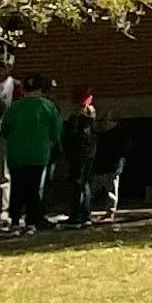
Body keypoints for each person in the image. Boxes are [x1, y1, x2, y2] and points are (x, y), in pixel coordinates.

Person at [1, 69, 62, 231]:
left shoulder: (15, 107)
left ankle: (14, 221)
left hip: (16, 154)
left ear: (23, 89)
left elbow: (5, 128)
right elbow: (56, 131)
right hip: (39, 154)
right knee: (34, 189)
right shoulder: (48, 106)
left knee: (17, 187)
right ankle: (32, 221)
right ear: (41, 89)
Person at [58, 90, 104, 230]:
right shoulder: (91, 117)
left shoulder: (77, 118)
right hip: (89, 154)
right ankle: (85, 214)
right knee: (84, 184)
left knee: (77, 184)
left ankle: (76, 216)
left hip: (78, 154)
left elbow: (71, 137)